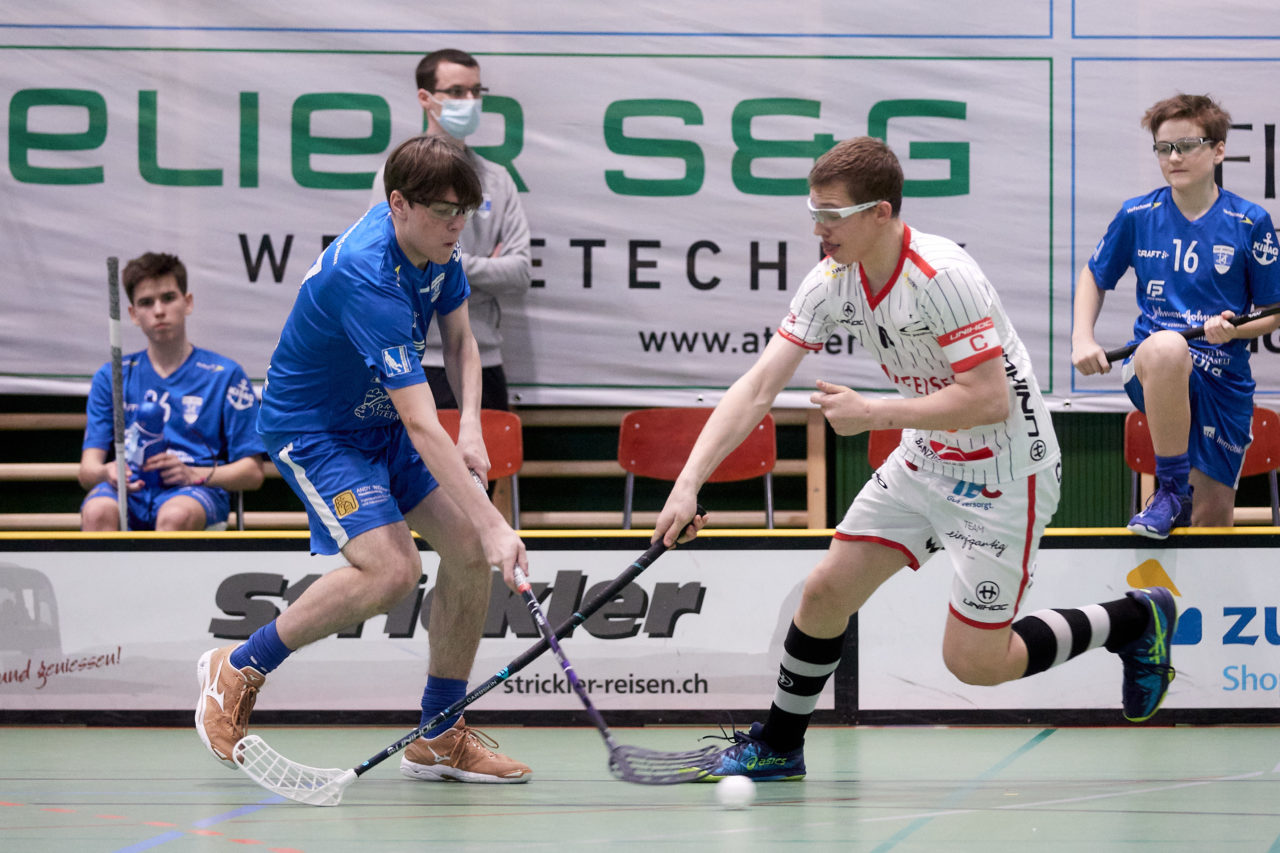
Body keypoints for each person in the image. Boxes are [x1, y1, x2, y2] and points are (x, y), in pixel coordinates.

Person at [654, 137, 1178, 782]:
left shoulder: (943, 276)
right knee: (824, 593)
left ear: (881, 212)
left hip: (1004, 473)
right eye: (812, 213)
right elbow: (758, 385)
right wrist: (687, 486)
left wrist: (873, 414)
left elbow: (987, 401)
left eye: (832, 214)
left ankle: (1134, 617)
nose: (819, 229)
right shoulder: (832, 281)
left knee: (976, 664)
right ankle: (779, 745)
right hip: (925, 459)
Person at [195, 134, 533, 785]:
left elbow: (462, 341)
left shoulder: (439, 247)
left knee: (464, 553)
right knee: (393, 570)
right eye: (442, 211)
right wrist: (495, 521)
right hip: (318, 430)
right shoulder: (368, 274)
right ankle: (237, 666)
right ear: (398, 203)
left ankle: (438, 734)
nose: (456, 224)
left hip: (380, 421)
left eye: (464, 210)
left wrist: (472, 432)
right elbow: (416, 416)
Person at [1073, 93, 1280, 539]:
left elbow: (1271, 315)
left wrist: (1232, 332)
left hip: (1224, 378)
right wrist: (1082, 339)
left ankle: (1191, 604)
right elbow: (1094, 275)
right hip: (1155, 366)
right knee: (1168, 346)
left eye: (1186, 145)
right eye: (1164, 148)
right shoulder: (1137, 214)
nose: (1174, 157)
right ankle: (1169, 490)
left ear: (1218, 150)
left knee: (1211, 521)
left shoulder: (1250, 222)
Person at [369, 47, 531, 412]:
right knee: (416, 468)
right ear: (425, 98)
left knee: (479, 468)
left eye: (476, 91)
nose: (470, 101)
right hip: (411, 359)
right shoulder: (396, 175)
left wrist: (435, 257)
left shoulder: (498, 179)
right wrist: (477, 265)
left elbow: (519, 271)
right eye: (457, 92)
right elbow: (386, 262)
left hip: (484, 358)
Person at [79, 252, 265, 531]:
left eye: (168, 298)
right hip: (130, 489)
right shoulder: (112, 376)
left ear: (187, 303)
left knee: (175, 515)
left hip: (194, 489)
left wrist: (193, 473)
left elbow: (252, 473)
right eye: (146, 302)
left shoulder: (225, 375)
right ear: (132, 314)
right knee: (97, 511)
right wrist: (108, 471)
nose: (158, 310)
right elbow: (87, 471)